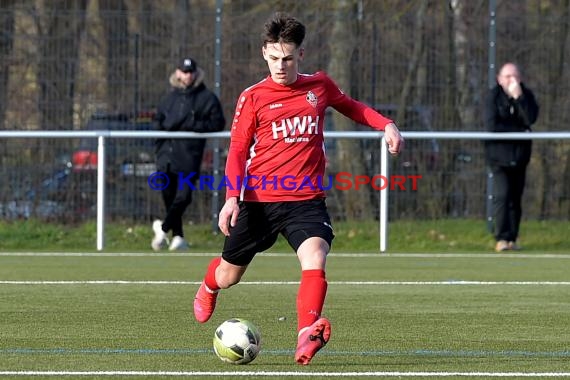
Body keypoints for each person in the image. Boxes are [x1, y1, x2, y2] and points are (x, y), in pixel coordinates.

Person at [192, 13, 403, 365]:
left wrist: (387, 125)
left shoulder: (319, 86)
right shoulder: (253, 97)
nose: (280, 65)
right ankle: (209, 286)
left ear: (301, 55)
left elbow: (352, 107)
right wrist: (231, 198)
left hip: (306, 201)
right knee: (229, 275)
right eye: (274, 58)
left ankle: (307, 333)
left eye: (288, 58)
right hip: (259, 202)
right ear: (264, 54)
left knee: (315, 257)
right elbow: (238, 150)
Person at [152, 57, 226, 251]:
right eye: (184, 71)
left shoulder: (206, 98)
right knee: (169, 197)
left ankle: (163, 228)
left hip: (189, 157)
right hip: (166, 157)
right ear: (177, 73)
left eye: (191, 71)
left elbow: (217, 123)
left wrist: (192, 127)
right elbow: (158, 122)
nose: (188, 75)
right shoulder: (169, 98)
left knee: (183, 197)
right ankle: (178, 237)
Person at [484, 62, 539, 252]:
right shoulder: (493, 97)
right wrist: (517, 130)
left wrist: (519, 99)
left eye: (515, 76)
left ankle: (512, 238)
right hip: (499, 157)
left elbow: (530, 119)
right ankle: (501, 238)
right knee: (502, 195)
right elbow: (491, 126)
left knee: (516, 198)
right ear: (500, 79)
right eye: (508, 76)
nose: (512, 80)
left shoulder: (526, 96)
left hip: (520, 155)